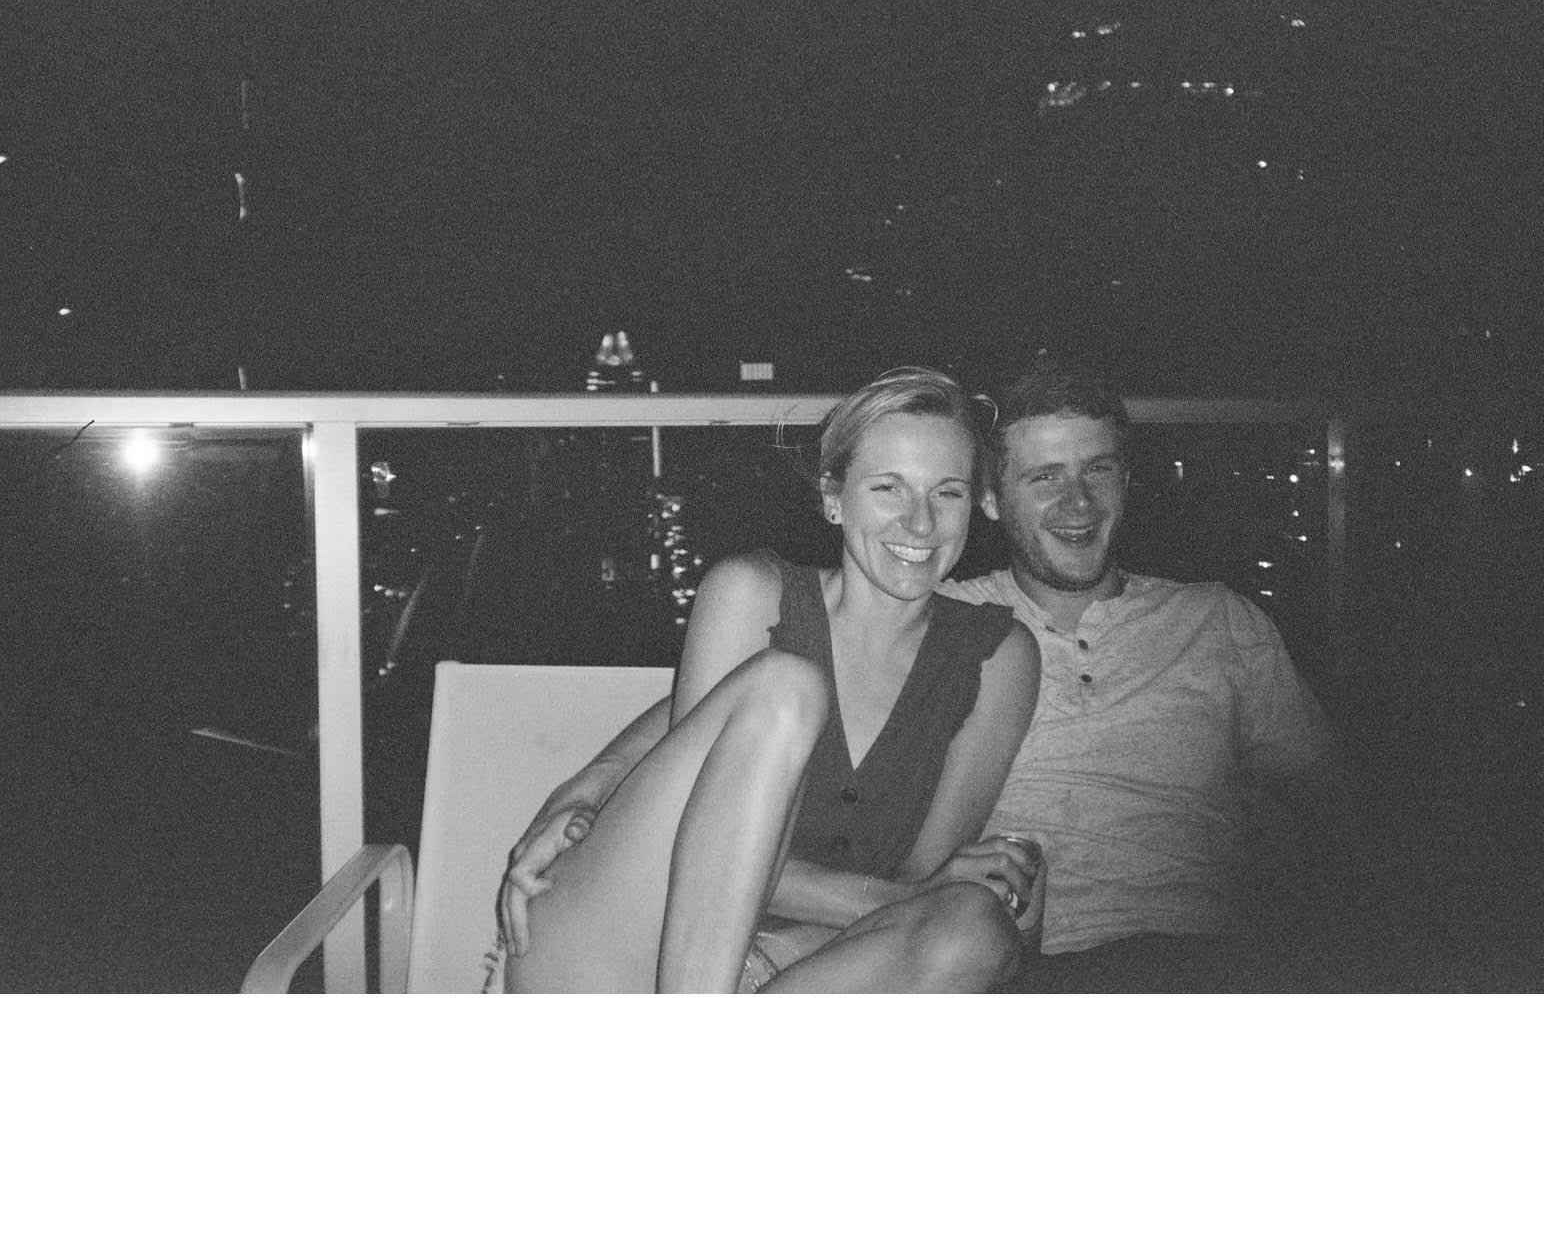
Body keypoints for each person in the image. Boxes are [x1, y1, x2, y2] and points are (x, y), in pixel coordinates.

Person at [491, 367, 1043, 993]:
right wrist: (592, 784)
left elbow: (921, 887)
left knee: (977, 928)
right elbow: (696, 849)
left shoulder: (997, 658)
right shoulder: (752, 597)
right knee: (788, 689)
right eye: (888, 488)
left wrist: (924, 899)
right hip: (624, 944)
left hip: (797, 969)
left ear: (976, 504)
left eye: (947, 493)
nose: (920, 523)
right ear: (834, 497)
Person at [940, 352, 1348, 991]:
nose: (1078, 501)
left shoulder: (1219, 621)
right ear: (990, 499)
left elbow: (1333, 817)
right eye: (1045, 477)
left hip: (1204, 967)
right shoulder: (942, 622)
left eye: (1098, 469)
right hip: (1014, 969)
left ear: (1126, 481)